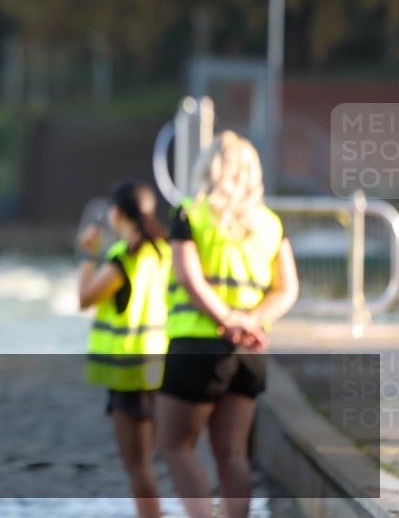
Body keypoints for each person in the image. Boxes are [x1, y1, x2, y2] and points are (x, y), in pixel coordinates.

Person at [157, 131, 298, 518]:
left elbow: (189, 276)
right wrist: (251, 321)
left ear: (209, 169)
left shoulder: (190, 212)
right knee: (233, 454)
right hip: (249, 354)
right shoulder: (270, 223)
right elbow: (288, 289)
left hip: (197, 347)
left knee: (176, 446)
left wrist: (227, 319)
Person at [77, 182, 170, 518]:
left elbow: (85, 297)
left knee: (138, 465)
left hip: (130, 371)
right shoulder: (166, 252)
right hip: (162, 367)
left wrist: (88, 254)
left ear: (117, 214)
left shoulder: (123, 259)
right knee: (153, 462)